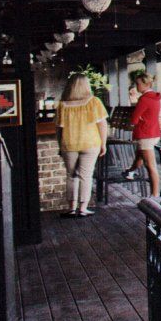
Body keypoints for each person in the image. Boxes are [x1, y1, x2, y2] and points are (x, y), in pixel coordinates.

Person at [57, 73, 110, 217]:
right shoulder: (94, 102)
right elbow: (102, 125)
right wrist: (103, 144)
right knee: (85, 176)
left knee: (71, 175)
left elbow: (59, 128)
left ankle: (71, 208)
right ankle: (83, 208)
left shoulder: (63, 104)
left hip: (69, 143)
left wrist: (59, 146)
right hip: (90, 143)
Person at [128, 70, 161, 198]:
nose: (136, 87)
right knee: (139, 158)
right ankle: (130, 171)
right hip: (154, 132)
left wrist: (136, 118)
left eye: (138, 84)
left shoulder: (143, 99)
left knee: (150, 166)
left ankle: (155, 195)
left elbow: (134, 119)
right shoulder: (155, 97)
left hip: (145, 134)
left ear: (146, 85)